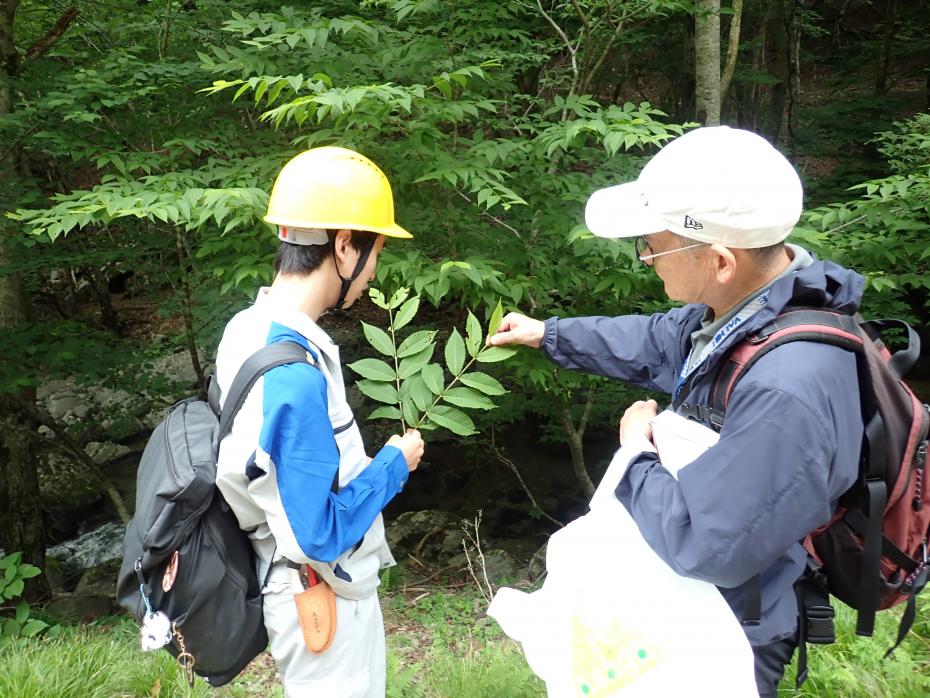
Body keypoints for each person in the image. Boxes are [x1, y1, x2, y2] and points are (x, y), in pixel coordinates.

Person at [488, 126, 863, 697]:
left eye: (653, 245)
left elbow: (711, 545)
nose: (644, 258)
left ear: (718, 261)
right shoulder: (746, 310)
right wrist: (548, 334)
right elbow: (656, 341)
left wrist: (637, 453)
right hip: (694, 611)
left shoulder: (789, 386)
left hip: (732, 632)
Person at [214, 145, 424, 697]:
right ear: (344, 244)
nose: (374, 271)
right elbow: (319, 534)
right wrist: (393, 466)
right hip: (322, 601)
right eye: (375, 249)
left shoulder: (247, 327)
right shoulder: (294, 375)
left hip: (287, 578)